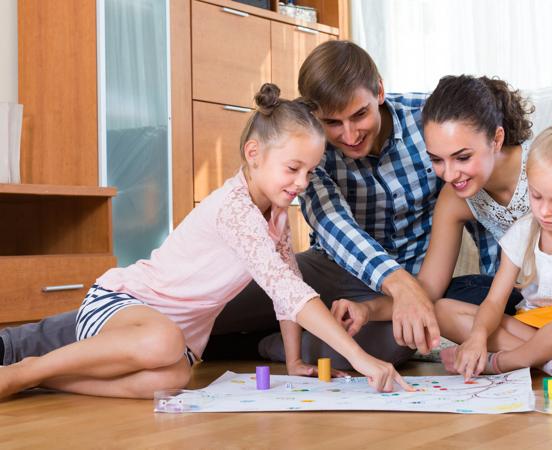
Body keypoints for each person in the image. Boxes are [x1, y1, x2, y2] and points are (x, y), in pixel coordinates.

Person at [0, 41, 503, 370]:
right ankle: (20, 345)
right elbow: (329, 222)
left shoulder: (431, 125)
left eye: (360, 116)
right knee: (208, 299)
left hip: (405, 282)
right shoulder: (309, 150)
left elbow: (478, 190)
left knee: (393, 343)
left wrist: (413, 289)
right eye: (333, 123)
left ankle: (258, 349)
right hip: (339, 267)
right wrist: (396, 280)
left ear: (379, 94)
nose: (348, 135)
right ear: (312, 116)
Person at [0, 84, 408, 399]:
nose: (302, 183)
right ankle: (23, 370)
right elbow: (292, 293)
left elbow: (287, 290)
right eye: (292, 168)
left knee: (175, 376)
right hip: (126, 309)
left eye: (309, 172)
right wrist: (360, 357)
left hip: (176, 342)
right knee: (163, 342)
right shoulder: (234, 209)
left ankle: (48, 381)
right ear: (254, 154)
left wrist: (296, 359)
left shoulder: (278, 216)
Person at [330, 75, 532, 338]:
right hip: (524, 300)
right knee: (441, 308)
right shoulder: (454, 198)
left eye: (462, 157)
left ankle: (537, 350)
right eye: (437, 160)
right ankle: (549, 350)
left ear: (496, 139)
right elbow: (426, 291)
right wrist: (366, 309)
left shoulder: (543, 165)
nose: (449, 175)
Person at [434, 117, 552, 383]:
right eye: (536, 196)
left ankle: (503, 362)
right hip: (532, 328)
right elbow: (495, 301)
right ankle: (546, 360)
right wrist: (477, 337)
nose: (544, 211)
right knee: (442, 310)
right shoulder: (524, 231)